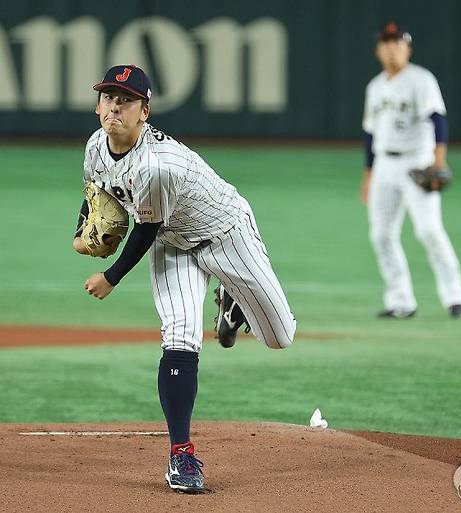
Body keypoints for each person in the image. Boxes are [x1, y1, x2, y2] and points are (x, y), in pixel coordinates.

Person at [73, 65, 296, 493]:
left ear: (145, 111)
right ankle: (182, 456)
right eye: (108, 97)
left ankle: (233, 303)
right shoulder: (96, 146)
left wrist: (111, 275)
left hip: (224, 232)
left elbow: (144, 229)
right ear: (98, 104)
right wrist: (82, 226)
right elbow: (96, 192)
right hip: (174, 245)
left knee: (280, 337)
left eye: (127, 100)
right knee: (179, 335)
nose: (115, 106)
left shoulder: (158, 165)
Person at [361, 22, 461, 320]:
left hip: (417, 162)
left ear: (407, 48)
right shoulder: (375, 86)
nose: (392, 47)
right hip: (384, 165)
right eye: (386, 42)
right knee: (381, 234)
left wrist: (439, 160)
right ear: (378, 50)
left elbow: (438, 120)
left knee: (429, 230)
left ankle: (455, 297)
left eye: (398, 42)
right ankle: (401, 302)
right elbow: (369, 135)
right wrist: (368, 176)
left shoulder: (421, 80)